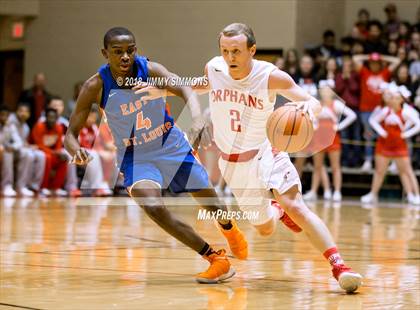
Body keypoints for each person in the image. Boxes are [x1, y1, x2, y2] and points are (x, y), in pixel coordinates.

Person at [136, 23, 363, 293]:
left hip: (267, 151)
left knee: (296, 206)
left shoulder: (270, 76)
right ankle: (276, 211)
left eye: (236, 51)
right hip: (233, 164)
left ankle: (340, 267)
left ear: (252, 50)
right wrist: (162, 91)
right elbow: (201, 84)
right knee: (264, 228)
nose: (230, 57)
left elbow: (311, 101)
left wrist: (308, 107)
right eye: (225, 50)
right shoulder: (215, 67)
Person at [64, 27, 248, 284]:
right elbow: (69, 135)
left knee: (210, 200)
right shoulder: (95, 86)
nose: (126, 57)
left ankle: (228, 228)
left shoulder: (149, 70)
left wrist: (196, 118)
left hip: (169, 144)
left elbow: (185, 88)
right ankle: (215, 259)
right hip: (135, 156)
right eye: (118, 52)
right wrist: (77, 151)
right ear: (105, 54)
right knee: (153, 206)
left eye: (130, 50)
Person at [362, 82, 420, 205]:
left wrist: (406, 133)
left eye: (396, 98)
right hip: (384, 145)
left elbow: (418, 124)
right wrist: (381, 131)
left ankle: (413, 195)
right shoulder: (385, 111)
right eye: (392, 97)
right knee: (379, 171)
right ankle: (373, 194)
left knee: (406, 171)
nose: (393, 100)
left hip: (400, 145)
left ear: (401, 100)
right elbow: (372, 120)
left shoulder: (405, 112)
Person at [302, 80, 356, 202]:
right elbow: (309, 116)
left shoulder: (336, 104)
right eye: (324, 91)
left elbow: (352, 115)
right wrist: (314, 124)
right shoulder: (316, 104)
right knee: (317, 166)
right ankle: (314, 191)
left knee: (335, 166)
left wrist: (338, 126)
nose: (326, 93)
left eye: (328, 90)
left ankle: (337, 191)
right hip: (318, 137)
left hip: (333, 138)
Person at [352, 52, 401, 171]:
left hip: (381, 110)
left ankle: (390, 161)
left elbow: (397, 61)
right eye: (372, 63)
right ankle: (368, 160)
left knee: (384, 134)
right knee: (368, 135)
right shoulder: (364, 72)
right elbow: (355, 58)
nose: (374, 65)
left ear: (380, 64)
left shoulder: (384, 73)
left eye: (376, 63)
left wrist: (381, 57)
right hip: (366, 110)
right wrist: (369, 56)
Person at [8, 102, 46, 195]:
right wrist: (27, 146)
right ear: (16, 111)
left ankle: (34, 186)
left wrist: (29, 146)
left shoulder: (26, 127)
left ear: (29, 114)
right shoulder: (9, 121)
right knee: (28, 154)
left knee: (41, 155)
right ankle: (20, 186)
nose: (23, 113)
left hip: (19, 149)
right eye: (21, 111)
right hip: (9, 149)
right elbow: (15, 141)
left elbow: (23, 142)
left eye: (26, 112)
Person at [31, 108, 68, 196]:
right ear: (45, 117)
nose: (51, 120)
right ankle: (43, 187)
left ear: (57, 118)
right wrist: (55, 153)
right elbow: (39, 145)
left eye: (54, 118)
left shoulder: (59, 128)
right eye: (49, 117)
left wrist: (59, 153)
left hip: (51, 152)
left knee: (64, 158)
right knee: (47, 158)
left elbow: (58, 145)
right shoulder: (39, 126)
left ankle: (56, 188)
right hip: (37, 150)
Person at [0, 105, 31, 197]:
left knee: (23, 153)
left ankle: (20, 186)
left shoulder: (10, 126)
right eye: (1, 115)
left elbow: (18, 142)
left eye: (6, 115)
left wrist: (12, 147)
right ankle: (6, 185)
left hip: (3, 150)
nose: (3, 117)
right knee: (6, 152)